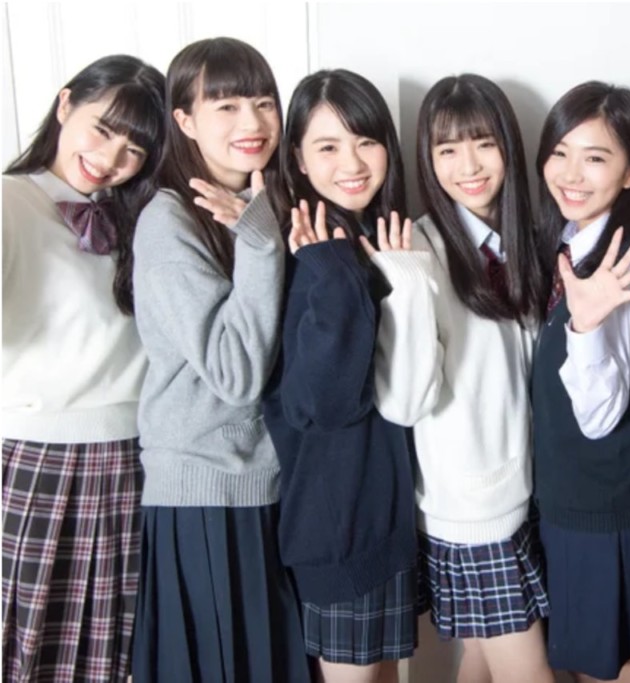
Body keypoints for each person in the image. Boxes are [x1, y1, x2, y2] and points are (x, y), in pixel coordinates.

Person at [129, 37, 308, 683]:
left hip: (267, 486)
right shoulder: (170, 220)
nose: (251, 122)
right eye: (226, 106)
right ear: (184, 119)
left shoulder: (271, 202)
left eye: (263, 102)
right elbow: (235, 372)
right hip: (205, 493)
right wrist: (260, 243)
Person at [368, 73, 552, 683]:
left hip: (517, 494)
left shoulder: (521, 240)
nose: (467, 166)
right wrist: (411, 285)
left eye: (483, 144)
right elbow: (404, 401)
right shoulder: (420, 249)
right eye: (447, 150)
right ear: (428, 159)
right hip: (471, 511)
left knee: (479, 659)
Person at [2, 53, 165, 683]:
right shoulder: (10, 202)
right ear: (65, 104)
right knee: (31, 652)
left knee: (113, 660)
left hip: (134, 465)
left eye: (134, 149)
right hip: (42, 463)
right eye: (102, 129)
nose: (110, 158)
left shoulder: (141, 218)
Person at [262, 69, 418, 683]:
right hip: (336, 531)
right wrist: (330, 268)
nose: (351, 163)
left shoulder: (367, 239)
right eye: (327, 146)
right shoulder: (311, 254)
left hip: (382, 524)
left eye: (366, 141)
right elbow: (322, 402)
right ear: (298, 160)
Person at [530, 81, 630, 683]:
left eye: (595, 158)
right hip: (575, 507)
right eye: (560, 153)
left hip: (608, 514)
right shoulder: (569, 247)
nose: (571, 174)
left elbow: (599, 417)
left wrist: (584, 327)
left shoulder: (628, 267)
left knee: (615, 670)